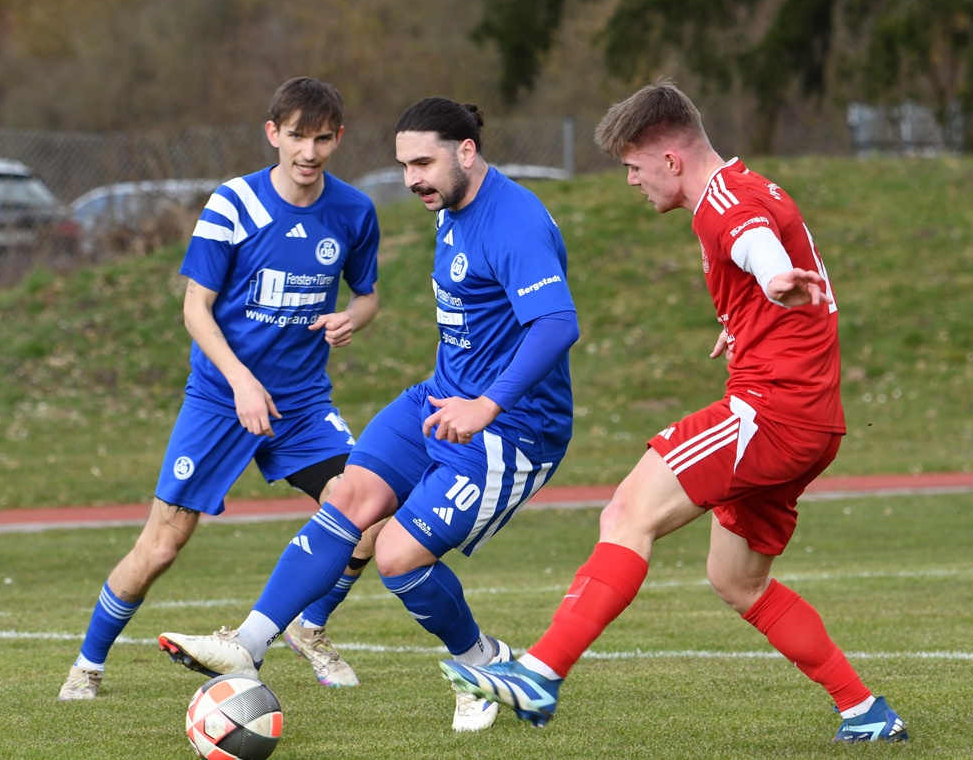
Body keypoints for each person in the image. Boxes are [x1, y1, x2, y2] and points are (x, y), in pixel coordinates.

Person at [440, 78, 910, 744]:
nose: (631, 181)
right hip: (811, 422)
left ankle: (541, 671)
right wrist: (751, 314)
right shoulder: (755, 186)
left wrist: (771, 278)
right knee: (736, 580)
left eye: (633, 167)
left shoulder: (724, 203)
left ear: (670, 159)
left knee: (627, 513)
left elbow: (757, 246)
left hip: (768, 415)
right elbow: (770, 259)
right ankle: (865, 711)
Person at [157, 97, 580, 732]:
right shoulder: (453, 208)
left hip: (512, 430)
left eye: (422, 163)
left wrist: (487, 404)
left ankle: (484, 667)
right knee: (350, 494)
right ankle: (248, 642)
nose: (412, 178)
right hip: (440, 399)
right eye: (404, 164)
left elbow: (556, 324)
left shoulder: (512, 221)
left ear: (466, 151)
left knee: (399, 556)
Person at [58, 77, 384, 701]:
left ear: (338, 138)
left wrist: (353, 317)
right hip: (219, 401)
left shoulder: (353, 210)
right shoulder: (234, 204)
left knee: (365, 509)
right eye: (296, 136)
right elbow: (196, 308)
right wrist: (241, 384)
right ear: (272, 134)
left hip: (303, 404)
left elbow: (366, 295)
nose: (309, 152)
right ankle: (88, 664)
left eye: (322, 139)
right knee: (160, 547)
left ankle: (308, 627)